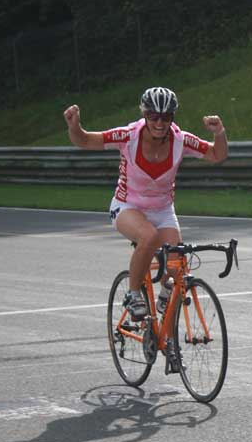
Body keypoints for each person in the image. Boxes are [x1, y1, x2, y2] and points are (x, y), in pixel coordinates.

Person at [63, 86, 228, 320]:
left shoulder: (181, 140)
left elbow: (217, 155)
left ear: (172, 117)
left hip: (162, 210)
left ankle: (166, 331)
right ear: (144, 114)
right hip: (127, 206)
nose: (159, 123)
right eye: (153, 116)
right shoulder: (128, 136)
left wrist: (219, 132)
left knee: (177, 269)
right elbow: (85, 140)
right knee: (148, 236)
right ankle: (133, 294)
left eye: (166, 117)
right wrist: (74, 126)